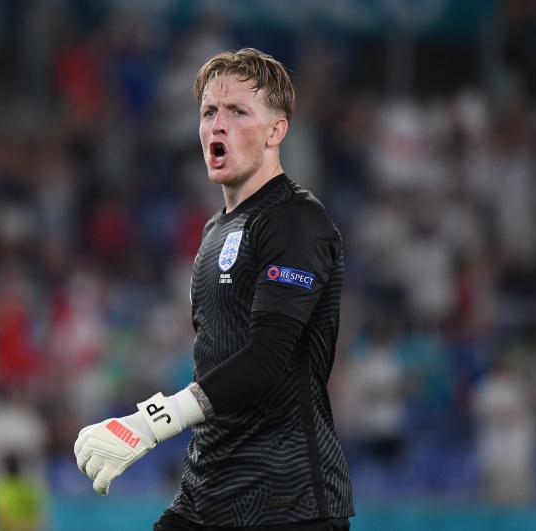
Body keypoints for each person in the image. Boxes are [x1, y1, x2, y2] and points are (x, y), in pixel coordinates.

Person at [74, 47, 354, 530]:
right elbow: (218, 362)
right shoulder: (213, 232)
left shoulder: (296, 220)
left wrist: (150, 422)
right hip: (208, 495)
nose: (217, 125)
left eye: (237, 112)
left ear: (276, 131)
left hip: (286, 502)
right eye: (209, 112)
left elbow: (268, 357)